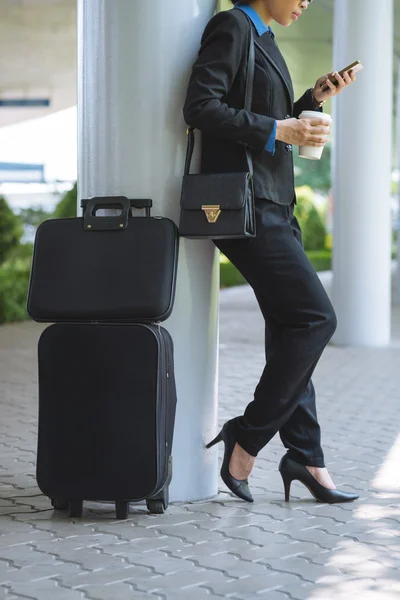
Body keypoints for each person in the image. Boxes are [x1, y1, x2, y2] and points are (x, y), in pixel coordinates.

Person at [183, 0, 359, 504]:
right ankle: (248, 434)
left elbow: (265, 116)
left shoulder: (266, 40)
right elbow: (200, 106)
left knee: (289, 330)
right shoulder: (232, 25)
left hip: (276, 202)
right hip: (245, 206)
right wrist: (281, 129)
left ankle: (305, 456)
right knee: (315, 320)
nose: (306, 2)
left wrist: (312, 99)